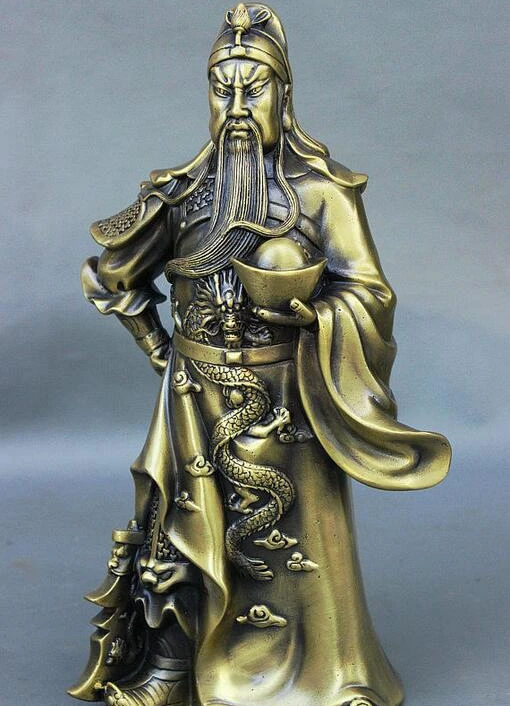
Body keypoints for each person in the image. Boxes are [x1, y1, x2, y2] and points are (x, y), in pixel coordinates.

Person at [71, 5, 451, 706]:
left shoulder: (323, 193)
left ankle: (332, 676)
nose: (238, 107)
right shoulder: (181, 194)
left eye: (255, 89)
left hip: (288, 397)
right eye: (224, 90)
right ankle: (170, 671)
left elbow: (369, 292)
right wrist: (158, 346)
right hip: (193, 398)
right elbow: (112, 276)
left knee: (302, 545)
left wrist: (315, 316)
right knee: (179, 530)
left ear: (285, 93)